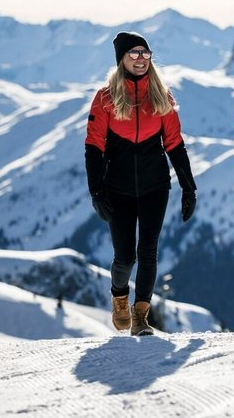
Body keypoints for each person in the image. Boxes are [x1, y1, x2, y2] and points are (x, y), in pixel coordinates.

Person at [84, 31, 197, 336]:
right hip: (117, 188)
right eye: (132, 54)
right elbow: (94, 145)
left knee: (148, 251)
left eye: (144, 53)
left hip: (154, 186)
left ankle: (140, 316)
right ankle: (120, 297)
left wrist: (189, 187)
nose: (139, 59)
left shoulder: (162, 96)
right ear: (121, 59)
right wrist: (96, 190)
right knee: (125, 256)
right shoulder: (106, 97)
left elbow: (174, 144)